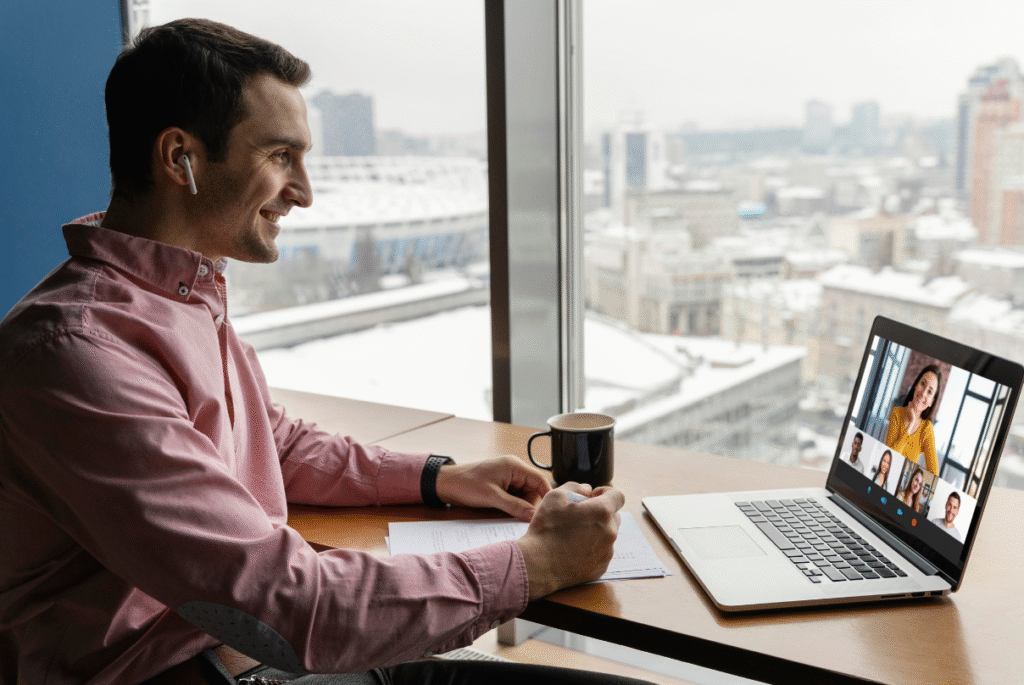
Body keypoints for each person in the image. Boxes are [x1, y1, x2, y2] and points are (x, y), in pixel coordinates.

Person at [0, 19, 653, 685]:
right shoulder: (77, 354)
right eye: (280, 156)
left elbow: (270, 441)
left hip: (262, 661)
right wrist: (539, 561)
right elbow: (299, 606)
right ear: (180, 158)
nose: (305, 191)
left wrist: (437, 475)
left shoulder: (180, 296)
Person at [885, 365, 942, 475]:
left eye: (930, 392)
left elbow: (934, 474)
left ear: (931, 402)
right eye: (923, 384)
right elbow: (889, 457)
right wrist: (910, 424)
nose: (923, 393)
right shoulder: (897, 413)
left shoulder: (927, 429)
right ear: (916, 384)